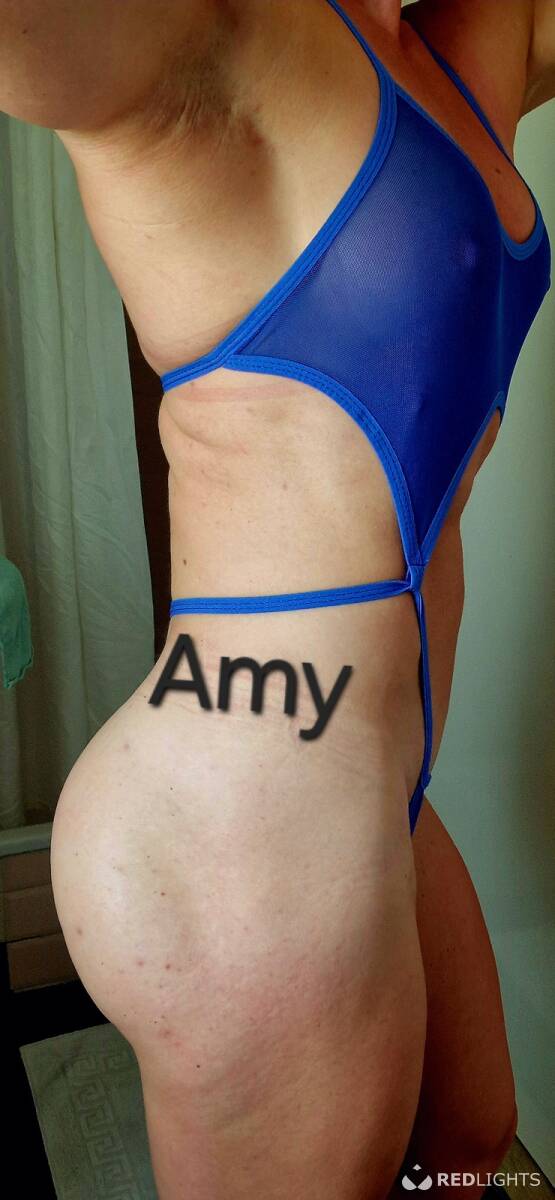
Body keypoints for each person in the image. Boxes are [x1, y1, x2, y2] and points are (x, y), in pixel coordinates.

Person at [2, 2, 553, 1197]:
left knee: (471, 1145)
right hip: (241, 833)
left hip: (370, 784)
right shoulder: (213, 32)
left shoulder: (461, 38)